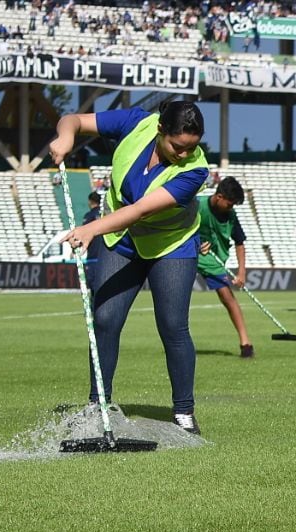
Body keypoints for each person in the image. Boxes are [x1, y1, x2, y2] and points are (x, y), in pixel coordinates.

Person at [49, 100, 210, 436]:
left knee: (172, 325)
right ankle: (97, 404)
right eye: (177, 146)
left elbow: (139, 210)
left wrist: (92, 228)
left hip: (171, 246)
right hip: (121, 240)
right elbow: (72, 119)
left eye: (191, 148)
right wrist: (65, 138)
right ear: (161, 130)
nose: (184, 154)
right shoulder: (138, 122)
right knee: (105, 318)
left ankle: (183, 411)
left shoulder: (195, 171)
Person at [196, 176, 253, 358]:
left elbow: (239, 243)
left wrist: (241, 272)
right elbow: (179, 229)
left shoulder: (231, 216)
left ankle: (245, 342)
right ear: (219, 196)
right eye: (230, 204)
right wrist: (194, 244)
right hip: (188, 255)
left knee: (227, 297)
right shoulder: (196, 206)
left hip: (214, 262)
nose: (232, 208)